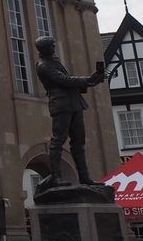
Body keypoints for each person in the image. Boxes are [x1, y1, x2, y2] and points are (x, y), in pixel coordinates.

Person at [34, 35, 105, 187]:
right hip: (61, 105)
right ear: (45, 48)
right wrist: (89, 80)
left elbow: (68, 81)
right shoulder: (43, 65)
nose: (54, 48)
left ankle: (84, 177)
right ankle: (56, 176)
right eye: (52, 46)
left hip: (74, 103)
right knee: (58, 141)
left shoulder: (54, 61)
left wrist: (90, 80)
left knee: (79, 142)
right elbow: (64, 81)